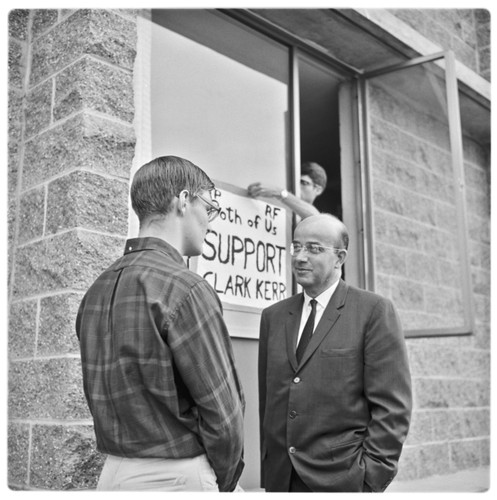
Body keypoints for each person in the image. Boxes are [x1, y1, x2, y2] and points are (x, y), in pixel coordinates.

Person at [76, 155, 245, 492]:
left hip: (112, 477)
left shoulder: (96, 290)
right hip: (178, 478)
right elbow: (224, 416)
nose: (210, 221)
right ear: (183, 200)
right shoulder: (185, 287)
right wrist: (221, 482)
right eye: (209, 207)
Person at [258, 214, 412, 492]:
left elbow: (392, 406)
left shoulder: (373, 311)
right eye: (296, 247)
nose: (300, 257)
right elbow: (268, 402)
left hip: (343, 477)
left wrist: (371, 477)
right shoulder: (273, 316)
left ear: (340, 258)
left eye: (314, 249)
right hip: (282, 479)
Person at [247, 161, 327, 219]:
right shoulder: (281, 208)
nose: (298, 186)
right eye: (296, 182)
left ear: (318, 190)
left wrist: (280, 193)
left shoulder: (282, 197)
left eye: (303, 183)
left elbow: (316, 218)